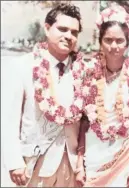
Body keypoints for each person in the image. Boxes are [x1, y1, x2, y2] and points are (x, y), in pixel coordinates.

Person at [2, 3, 86, 187]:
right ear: (47, 29)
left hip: (71, 165)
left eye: (74, 32)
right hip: (34, 163)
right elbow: (8, 120)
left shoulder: (83, 70)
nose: (68, 36)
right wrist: (14, 162)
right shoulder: (22, 67)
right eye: (62, 29)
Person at [75, 5, 129, 187]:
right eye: (108, 40)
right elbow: (83, 124)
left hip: (127, 161)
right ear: (100, 42)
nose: (114, 46)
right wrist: (79, 163)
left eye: (119, 40)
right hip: (94, 157)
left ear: (127, 42)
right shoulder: (88, 76)